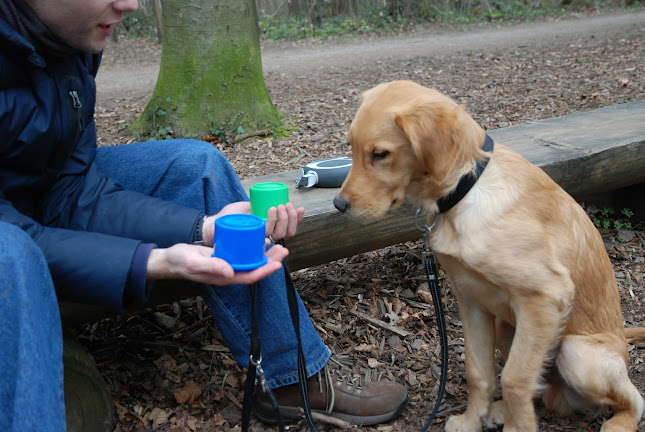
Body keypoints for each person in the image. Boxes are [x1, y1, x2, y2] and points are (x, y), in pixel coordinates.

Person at [0, 0, 409, 430]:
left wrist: (205, 228)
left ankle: (292, 380)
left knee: (198, 167)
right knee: (12, 255)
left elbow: (72, 188)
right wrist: (153, 261)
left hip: (34, 190)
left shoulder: (67, 37)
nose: (131, 4)